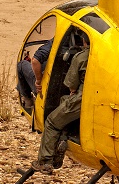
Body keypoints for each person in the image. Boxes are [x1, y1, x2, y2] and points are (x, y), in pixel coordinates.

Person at [32, 31, 90, 174]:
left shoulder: (80, 57)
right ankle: (63, 138)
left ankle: (45, 161)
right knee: (64, 102)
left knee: (52, 122)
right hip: (101, 98)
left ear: (83, 41)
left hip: (84, 98)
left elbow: (71, 85)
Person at [17, 38, 53, 111]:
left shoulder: (59, 40)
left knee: (21, 65)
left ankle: (28, 102)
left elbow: (35, 60)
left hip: (45, 89)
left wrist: (38, 81)